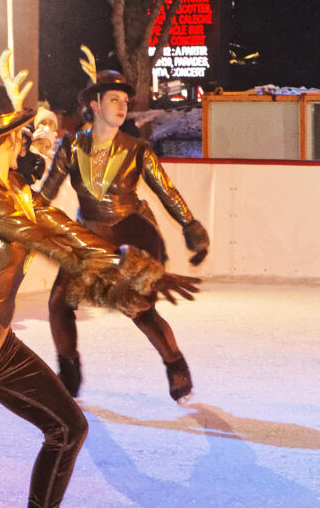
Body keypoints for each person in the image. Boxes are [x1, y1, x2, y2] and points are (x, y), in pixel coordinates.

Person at [0, 76, 199, 506]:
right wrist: (134, 271)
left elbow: (67, 230)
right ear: (7, 138)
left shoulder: (13, 188)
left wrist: (142, 270)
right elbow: (51, 245)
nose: (25, 140)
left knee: (69, 429)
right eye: (20, 133)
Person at [40, 70, 210, 402]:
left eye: (125, 102)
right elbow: (45, 195)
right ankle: (69, 372)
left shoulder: (137, 149)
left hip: (132, 234)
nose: (122, 107)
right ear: (94, 104)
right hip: (89, 237)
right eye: (114, 100)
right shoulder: (71, 146)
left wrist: (192, 228)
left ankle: (175, 364)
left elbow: (167, 192)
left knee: (138, 308)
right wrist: (17, 210)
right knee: (59, 304)